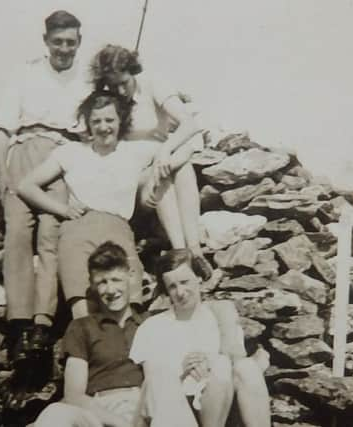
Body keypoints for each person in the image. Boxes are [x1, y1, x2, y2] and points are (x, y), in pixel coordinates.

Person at [17, 91, 196, 320]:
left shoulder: (135, 151)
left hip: (118, 227)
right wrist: (62, 210)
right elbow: (26, 186)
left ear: (120, 121)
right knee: (81, 304)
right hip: (78, 228)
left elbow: (188, 146)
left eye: (109, 120)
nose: (103, 127)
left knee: (129, 303)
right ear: (88, 124)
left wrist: (160, 161)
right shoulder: (71, 152)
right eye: (96, 121)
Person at [0, 9, 89, 406]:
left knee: (51, 234)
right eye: (58, 42)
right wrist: (1, 174)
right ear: (46, 41)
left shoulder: (87, 77)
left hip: (64, 154)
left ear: (78, 43)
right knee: (17, 231)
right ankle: (18, 325)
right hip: (26, 149)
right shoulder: (24, 74)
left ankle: (42, 326)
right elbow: (1, 129)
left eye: (71, 42)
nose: (64, 49)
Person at [89, 45, 212, 280]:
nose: (120, 90)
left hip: (159, 161)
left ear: (133, 71)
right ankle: (180, 250)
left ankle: (193, 249)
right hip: (132, 173)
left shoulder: (152, 84)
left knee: (180, 167)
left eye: (124, 82)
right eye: (113, 84)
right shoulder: (107, 99)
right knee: (163, 173)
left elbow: (189, 124)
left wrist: (165, 151)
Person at [130, 249, 272, 427]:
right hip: (177, 409)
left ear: (198, 278)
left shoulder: (220, 315)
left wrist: (209, 365)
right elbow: (153, 385)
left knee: (241, 367)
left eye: (184, 282)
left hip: (219, 400)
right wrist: (182, 370)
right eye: (172, 286)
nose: (180, 292)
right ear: (166, 291)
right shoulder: (152, 326)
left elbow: (237, 361)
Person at [33, 241, 152, 427]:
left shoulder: (147, 324)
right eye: (102, 282)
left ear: (130, 276)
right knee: (54, 413)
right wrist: (120, 424)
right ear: (92, 285)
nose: (110, 290)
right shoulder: (82, 327)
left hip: (142, 408)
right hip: (98, 411)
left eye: (116, 280)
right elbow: (74, 395)